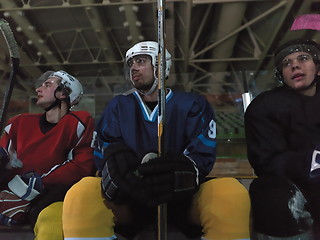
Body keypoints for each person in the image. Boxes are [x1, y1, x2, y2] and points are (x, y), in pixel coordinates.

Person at [62, 41, 251, 240]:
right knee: (82, 191)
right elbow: (105, 149)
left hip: (183, 198)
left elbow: (200, 156)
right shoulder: (118, 106)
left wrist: (183, 171)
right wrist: (115, 165)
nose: (133, 67)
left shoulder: (193, 104)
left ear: (162, 66)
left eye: (141, 61)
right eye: (131, 63)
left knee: (230, 192)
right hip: (128, 197)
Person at [0, 70, 95, 239]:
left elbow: (81, 167)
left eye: (48, 85)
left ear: (64, 93)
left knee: (51, 223)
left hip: (50, 200)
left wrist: (38, 183)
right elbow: (5, 156)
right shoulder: (18, 123)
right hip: (9, 196)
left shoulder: (79, 122)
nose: (38, 89)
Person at [245, 39, 320, 239]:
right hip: (290, 190)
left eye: (303, 58)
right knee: (273, 194)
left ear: (318, 68)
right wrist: (313, 162)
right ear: (281, 75)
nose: (294, 65)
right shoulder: (264, 106)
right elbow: (266, 162)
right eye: (287, 63)